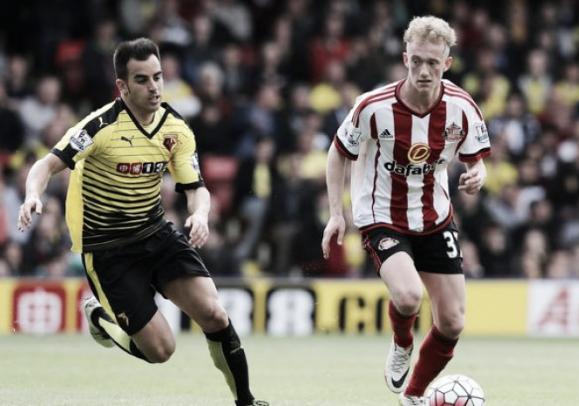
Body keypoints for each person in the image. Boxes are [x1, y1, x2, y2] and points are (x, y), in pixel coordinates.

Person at [17, 38, 268, 406]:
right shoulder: (100, 126)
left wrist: (199, 213)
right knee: (161, 350)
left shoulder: (176, 128)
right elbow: (46, 164)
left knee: (214, 313)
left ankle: (245, 401)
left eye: (158, 76)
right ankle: (102, 319)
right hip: (108, 249)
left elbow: (195, 187)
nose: (154, 87)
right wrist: (33, 194)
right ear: (122, 86)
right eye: (142, 80)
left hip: (155, 233)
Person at [321, 16, 490, 406]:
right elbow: (338, 153)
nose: (424, 70)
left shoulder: (462, 107)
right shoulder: (372, 106)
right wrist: (336, 213)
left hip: (435, 218)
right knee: (410, 297)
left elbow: (476, 159)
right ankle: (401, 342)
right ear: (404, 59)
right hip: (382, 216)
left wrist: (477, 175)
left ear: (447, 63)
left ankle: (412, 396)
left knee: (452, 322)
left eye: (433, 62)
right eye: (416, 61)